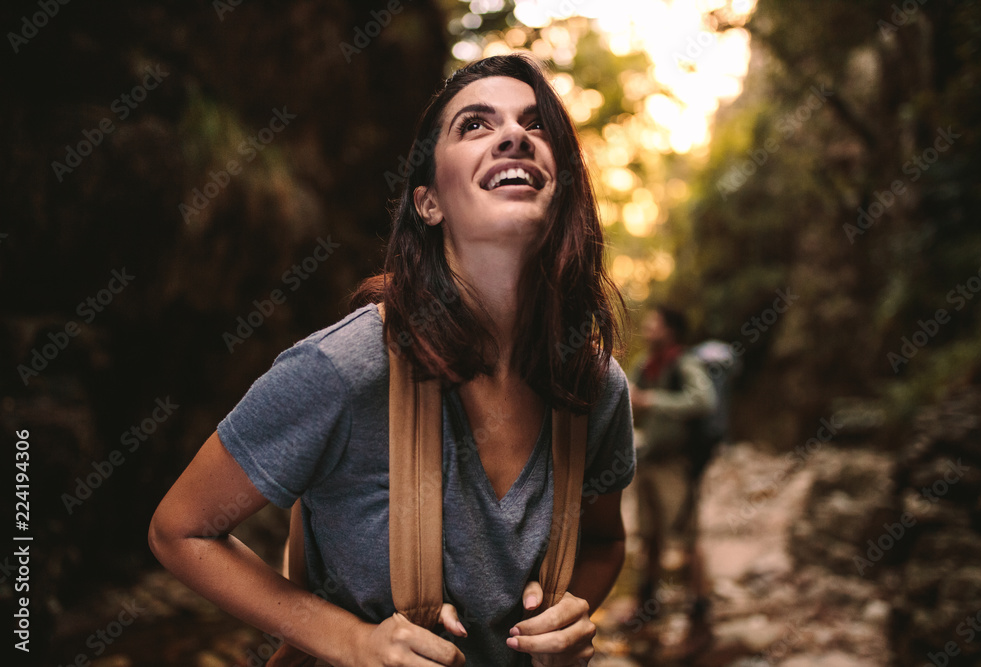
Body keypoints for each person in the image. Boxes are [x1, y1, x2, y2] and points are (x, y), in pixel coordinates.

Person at [148, 54, 635, 666]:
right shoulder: (343, 368)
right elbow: (180, 529)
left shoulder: (595, 387)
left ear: (563, 189)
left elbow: (604, 541)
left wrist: (572, 617)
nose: (514, 135)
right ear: (429, 204)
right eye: (475, 126)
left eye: (536, 126)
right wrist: (350, 639)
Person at [628, 306, 716, 654]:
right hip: (647, 461)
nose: (648, 328)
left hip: (675, 465)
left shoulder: (685, 363)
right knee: (648, 536)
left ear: (671, 330)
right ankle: (646, 605)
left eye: (655, 323)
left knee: (685, 536)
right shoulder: (645, 365)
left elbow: (703, 400)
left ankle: (700, 608)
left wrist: (652, 400)